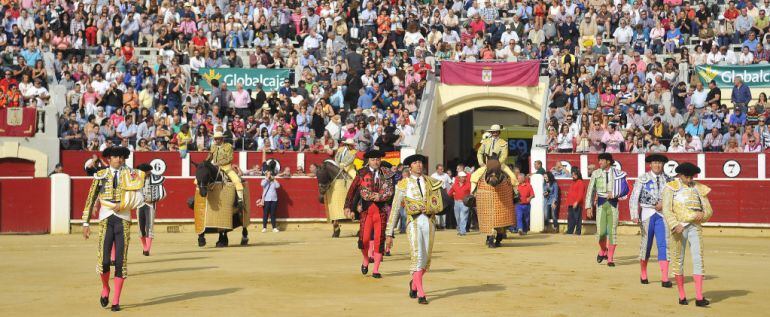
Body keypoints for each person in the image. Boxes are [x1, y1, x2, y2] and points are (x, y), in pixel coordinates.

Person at [81, 146, 147, 312]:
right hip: (105, 219)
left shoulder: (132, 174)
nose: (119, 159)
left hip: (123, 219)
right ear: (108, 158)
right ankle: (106, 288)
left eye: (122, 156)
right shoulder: (101, 175)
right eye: (116, 156)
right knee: (104, 261)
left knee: (120, 261)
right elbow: (91, 198)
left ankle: (116, 300)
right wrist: (86, 223)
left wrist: (123, 205)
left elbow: (139, 197)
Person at [386, 154, 444, 305]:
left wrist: (434, 207)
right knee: (417, 257)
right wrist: (389, 233)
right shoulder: (403, 184)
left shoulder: (431, 182)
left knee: (426, 260)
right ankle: (421, 293)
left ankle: (414, 283)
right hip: (414, 223)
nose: (419, 165)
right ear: (410, 166)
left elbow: (439, 204)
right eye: (415, 163)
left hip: (430, 222)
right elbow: (395, 209)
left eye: (420, 162)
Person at [662, 162, 714, 307]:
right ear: (680, 175)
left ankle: (698, 297)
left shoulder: (699, 188)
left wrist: (702, 215)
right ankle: (682, 295)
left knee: (698, 259)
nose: (690, 179)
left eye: (692, 176)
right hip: (679, 227)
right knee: (678, 260)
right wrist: (674, 224)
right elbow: (666, 209)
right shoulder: (671, 187)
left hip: (695, 227)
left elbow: (709, 210)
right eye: (687, 176)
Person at [344, 150, 395, 279]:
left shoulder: (387, 173)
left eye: (377, 159)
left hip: (381, 212)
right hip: (366, 212)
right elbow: (352, 190)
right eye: (373, 159)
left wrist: (382, 197)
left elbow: (391, 191)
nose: (376, 162)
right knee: (364, 240)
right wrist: (348, 206)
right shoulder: (362, 173)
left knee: (379, 240)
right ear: (369, 161)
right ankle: (366, 259)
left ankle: (376, 269)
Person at [629, 154, 672, 287]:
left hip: (662, 215)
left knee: (664, 244)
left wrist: (664, 205)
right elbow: (634, 197)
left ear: (663, 165)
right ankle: (643, 273)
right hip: (647, 214)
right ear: (650, 164)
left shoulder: (669, 180)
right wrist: (634, 214)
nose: (657, 165)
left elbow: (673, 198)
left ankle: (665, 278)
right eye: (655, 162)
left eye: (659, 163)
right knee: (646, 244)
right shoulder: (642, 178)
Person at [585, 153, 629, 267]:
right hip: (600, 204)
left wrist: (615, 194)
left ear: (608, 161)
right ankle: (603, 250)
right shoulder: (596, 173)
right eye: (599, 161)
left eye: (601, 160)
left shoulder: (618, 173)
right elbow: (591, 190)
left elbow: (625, 189)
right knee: (601, 233)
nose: (599, 163)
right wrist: (588, 207)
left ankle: (610, 258)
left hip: (613, 204)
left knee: (612, 231)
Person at [471, 124, 517, 192]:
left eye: (496, 132)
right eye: (493, 132)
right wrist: (481, 163)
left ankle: (516, 194)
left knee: (513, 176)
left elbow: (504, 156)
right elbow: (479, 153)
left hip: (500, 165)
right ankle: (472, 194)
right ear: (491, 132)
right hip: (487, 165)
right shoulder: (485, 142)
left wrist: (497, 164)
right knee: (474, 176)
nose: (494, 133)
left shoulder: (504, 143)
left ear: (499, 132)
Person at [328, 139, 358, 237]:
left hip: (349, 168)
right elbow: (336, 157)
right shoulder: (340, 149)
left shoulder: (353, 152)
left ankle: (357, 190)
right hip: (339, 166)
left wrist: (344, 165)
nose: (350, 146)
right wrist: (338, 164)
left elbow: (351, 160)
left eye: (350, 145)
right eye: (348, 144)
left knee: (355, 178)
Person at [136, 163, 167, 256]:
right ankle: (145, 247)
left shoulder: (155, 179)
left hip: (150, 206)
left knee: (149, 227)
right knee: (141, 228)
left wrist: (153, 199)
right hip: (139, 205)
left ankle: (147, 249)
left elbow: (163, 194)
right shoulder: (136, 180)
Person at [208, 131, 244, 205]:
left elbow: (229, 158)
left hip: (226, 167)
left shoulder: (228, 146)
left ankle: (240, 199)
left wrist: (218, 163)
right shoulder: (213, 146)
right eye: (215, 139)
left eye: (218, 139)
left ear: (222, 139)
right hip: (215, 167)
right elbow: (210, 156)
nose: (216, 140)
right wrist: (205, 163)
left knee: (236, 180)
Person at [447, 171, 471, 236]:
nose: (464, 178)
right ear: (459, 178)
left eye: (464, 177)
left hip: (465, 203)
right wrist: (445, 198)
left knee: (463, 217)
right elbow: (450, 192)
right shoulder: (455, 185)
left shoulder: (468, 184)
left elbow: (472, 192)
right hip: (456, 202)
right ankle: (460, 229)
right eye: (462, 177)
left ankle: (462, 231)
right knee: (458, 218)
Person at [430, 164, 452, 230]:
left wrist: (450, 192)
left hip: (444, 192)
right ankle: (437, 224)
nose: (442, 170)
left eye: (442, 169)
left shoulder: (446, 175)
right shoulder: (433, 176)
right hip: (436, 193)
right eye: (440, 169)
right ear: (437, 169)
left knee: (444, 208)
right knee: (436, 208)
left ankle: (443, 225)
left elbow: (451, 183)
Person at [565, 167, 586, 235]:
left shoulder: (580, 182)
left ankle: (577, 232)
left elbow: (581, 194)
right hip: (571, 203)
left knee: (577, 219)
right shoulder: (573, 182)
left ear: (578, 175)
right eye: (572, 175)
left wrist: (577, 202)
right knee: (570, 218)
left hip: (577, 203)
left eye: (574, 175)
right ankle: (570, 231)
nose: (573, 176)